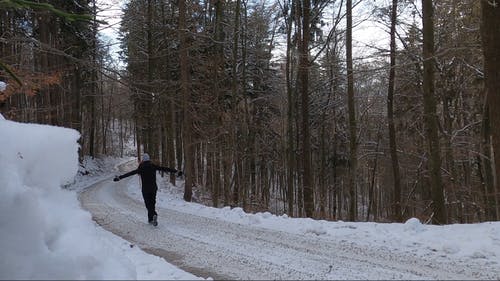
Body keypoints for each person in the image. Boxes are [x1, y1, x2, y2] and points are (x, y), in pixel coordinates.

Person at [113, 153, 182, 226]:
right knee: (152, 203)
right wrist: (176, 171)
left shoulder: (141, 168)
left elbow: (131, 173)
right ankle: (151, 219)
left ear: (143, 160)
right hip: (153, 188)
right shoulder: (153, 166)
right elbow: (164, 168)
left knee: (148, 204)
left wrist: (120, 177)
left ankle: (153, 215)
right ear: (149, 159)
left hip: (145, 189)